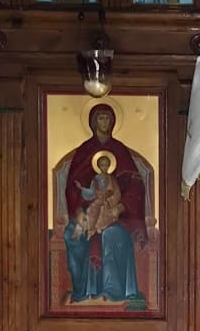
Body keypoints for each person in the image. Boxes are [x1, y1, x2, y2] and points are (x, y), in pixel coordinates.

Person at [61, 103, 148, 304]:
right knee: (71, 235)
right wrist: (78, 211)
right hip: (87, 212)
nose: (104, 122)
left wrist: (119, 207)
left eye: (107, 118)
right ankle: (82, 290)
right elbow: (73, 188)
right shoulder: (85, 151)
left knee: (112, 235)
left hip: (117, 215)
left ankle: (113, 291)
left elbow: (135, 187)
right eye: (100, 118)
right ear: (93, 122)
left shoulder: (120, 151)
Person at [76, 153, 125, 238]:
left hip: (109, 201)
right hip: (99, 200)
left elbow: (117, 193)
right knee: (91, 208)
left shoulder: (112, 179)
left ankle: (100, 227)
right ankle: (91, 230)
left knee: (103, 209)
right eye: (102, 165)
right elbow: (92, 192)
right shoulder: (96, 179)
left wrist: (110, 200)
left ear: (109, 166)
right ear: (99, 166)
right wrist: (81, 188)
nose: (104, 167)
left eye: (106, 165)